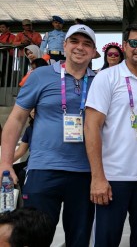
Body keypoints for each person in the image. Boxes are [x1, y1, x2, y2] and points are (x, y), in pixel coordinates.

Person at [0, 24, 97, 246]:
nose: (79, 47)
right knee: (33, 238)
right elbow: (16, 119)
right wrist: (5, 162)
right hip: (43, 170)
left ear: (94, 52)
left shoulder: (101, 81)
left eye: (86, 44)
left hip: (84, 173)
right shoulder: (40, 75)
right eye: (74, 41)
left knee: (79, 240)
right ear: (64, 45)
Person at [84, 23, 137, 247]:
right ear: (124, 45)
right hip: (113, 179)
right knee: (106, 241)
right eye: (134, 42)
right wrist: (98, 177)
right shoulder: (107, 77)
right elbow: (91, 127)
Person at [12, 109, 35, 189]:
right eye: (31, 108)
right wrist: (4, 163)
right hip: (31, 161)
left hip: (41, 163)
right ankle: (16, 199)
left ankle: (25, 198)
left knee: (22, 174)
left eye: (35, 107)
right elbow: (20, 151)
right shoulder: (29, 129)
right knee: (10, 171)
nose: (33, 111)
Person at [0, 22, 16, 87]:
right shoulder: (1, 36)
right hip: (1, 55)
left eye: (3, 27)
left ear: (8, 28)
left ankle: (7, 85)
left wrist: (2, 43)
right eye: (0, 27)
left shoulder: (12, 36)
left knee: (7, 71)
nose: (1, 29)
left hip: (8, 55)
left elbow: (12, 44)